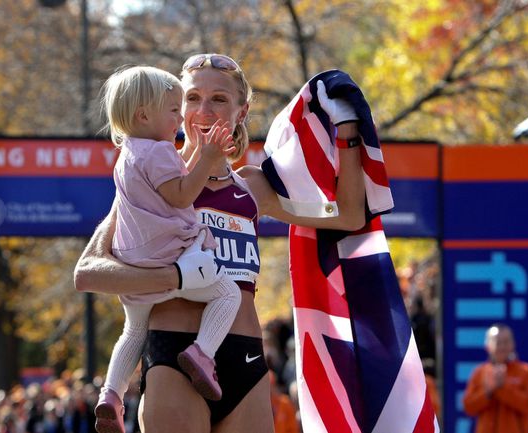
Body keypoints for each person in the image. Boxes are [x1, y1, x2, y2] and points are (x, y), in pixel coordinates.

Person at [75, 53, 367, 433]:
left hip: (247, 360)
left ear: (240, 111)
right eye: (192, 98)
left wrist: (348, 131)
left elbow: (349, 216)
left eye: (219, 99)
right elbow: (88, 273)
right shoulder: (152, 180)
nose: (203, 111)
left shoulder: (252, 186)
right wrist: (176, 277)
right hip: (174, 352)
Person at [93, 65, 244, 433]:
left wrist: (197, 158)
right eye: (174, 110)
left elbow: (170, 185)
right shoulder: (159, 152)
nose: (180, 118)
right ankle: (202, 354)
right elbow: (180, 195)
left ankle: (111, 394)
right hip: (169, 258)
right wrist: (207, 158)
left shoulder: (129, 153)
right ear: (144, 115)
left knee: (133, 332)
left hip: (134, 262)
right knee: (228, 294)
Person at [462, 324, 528, 433]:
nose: (502, 347)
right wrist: (488, 392)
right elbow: (468, 407)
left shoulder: (526, 372)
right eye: (498, 342)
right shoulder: (480, 372)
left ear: (513, 344)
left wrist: (502, 388)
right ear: (487, 345)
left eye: (506, 342)